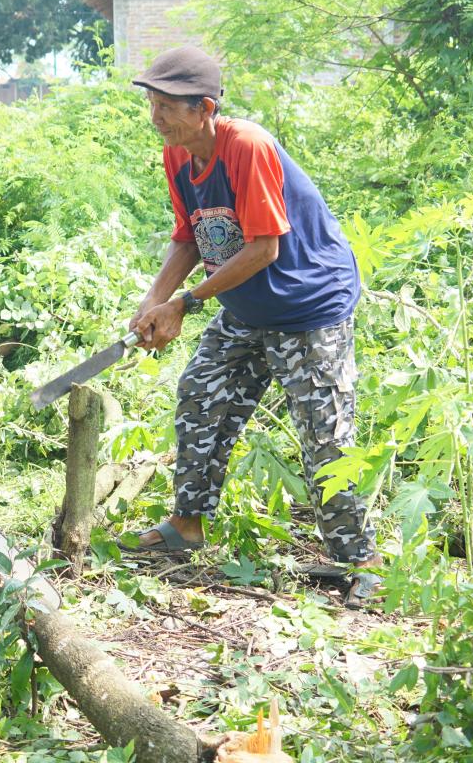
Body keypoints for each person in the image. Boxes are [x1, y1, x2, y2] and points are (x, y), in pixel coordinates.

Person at [122, 46, 381, 608]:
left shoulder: (247, 146)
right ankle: (185, 526)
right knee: (200, 396)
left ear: (205, 108)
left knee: (325, 436)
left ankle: (361, 559)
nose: (157, 117)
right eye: (153, 104)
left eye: (168, 106)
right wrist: (152, 302)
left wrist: (185, 304)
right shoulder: (178, 156)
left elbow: (264, 248)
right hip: (245, 307)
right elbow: (189, 236)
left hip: (307, 306)